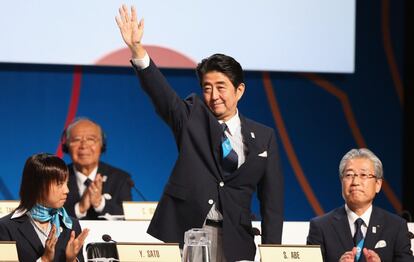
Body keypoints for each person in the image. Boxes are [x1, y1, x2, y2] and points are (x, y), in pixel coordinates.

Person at [116, 5, 284, 262]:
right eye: (207, 88)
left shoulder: (264, 137)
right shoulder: (191, 117)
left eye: (221, 87)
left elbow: (272, 203)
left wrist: (273, 254)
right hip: (189, 235)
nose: (214, 96)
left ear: (239, 91)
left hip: (236, 241)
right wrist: (138, 50)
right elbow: (162, 95)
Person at [307, 148, 414, 262]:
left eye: (363, 175)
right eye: (349, 175)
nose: (355, 182)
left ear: (378, 184)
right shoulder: (320, 226)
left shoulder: (396, 226)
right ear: (341, 182)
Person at [0, 153, 89, 262]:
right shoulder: (6, 228)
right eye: (59, 184)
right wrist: (44, 260)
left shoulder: (71, 225)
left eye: (67, 183)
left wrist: (70, 260)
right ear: (38, 186)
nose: (67, 190)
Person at [62, 117, 132, 220]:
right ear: (67, 146)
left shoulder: (120, 179)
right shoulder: (56, 178)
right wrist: (79, 208)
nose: (84, 146)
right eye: (76, 140)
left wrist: (100, 203)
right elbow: (47, 217)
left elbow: (129, 217)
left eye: (91, 139)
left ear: (102, 145)